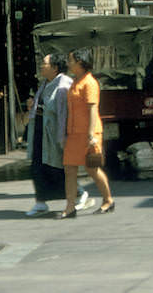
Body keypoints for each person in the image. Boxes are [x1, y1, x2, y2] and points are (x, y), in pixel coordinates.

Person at [26, 54, 91, 217]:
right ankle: (40, 202)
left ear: (55, 68)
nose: (41, 66)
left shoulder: (64, 85)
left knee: (58, 167)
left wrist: (66, 136)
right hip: (41, 130)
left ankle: (79, 193)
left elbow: (66, 113)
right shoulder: (45, 83)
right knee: (37, 166)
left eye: (44, 63)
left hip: (56, 133)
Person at [57, 48, 115, 218]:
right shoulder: (76, 82)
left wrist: (91, 135)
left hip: (89, 133)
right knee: (69, 169)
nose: (69, 64)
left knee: (92, 169)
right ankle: (70, 206)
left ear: (80, 62)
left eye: (71, 61)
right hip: (74, 133)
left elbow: (92, 109)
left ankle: (108, 200)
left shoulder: (89, 83)